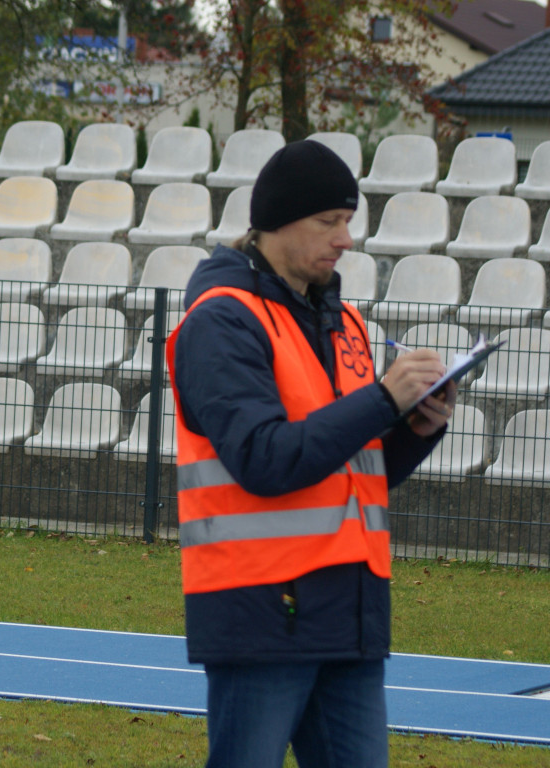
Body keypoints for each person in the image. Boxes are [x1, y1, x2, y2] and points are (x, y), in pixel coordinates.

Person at [166, 140, 455, 768]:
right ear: (276, 223)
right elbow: (264, 460)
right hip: (263, 606)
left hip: (347, 610)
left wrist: (418, 426)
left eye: (348, 221)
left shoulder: (342, 321)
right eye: (328, 221)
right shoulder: (221, 321)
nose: (345, 238)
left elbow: (359, 468)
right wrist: (383, 400)